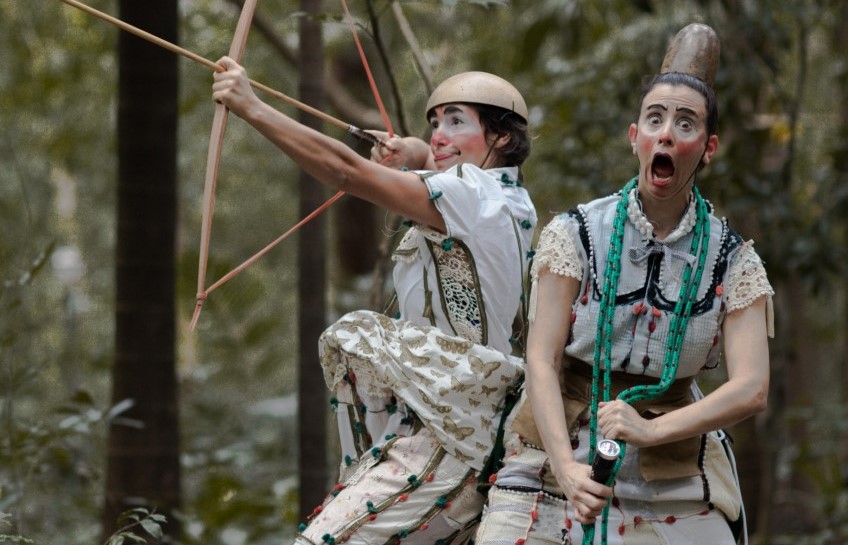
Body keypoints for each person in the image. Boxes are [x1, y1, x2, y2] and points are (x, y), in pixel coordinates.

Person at [474, 24, 773, 545]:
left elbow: (752, 388)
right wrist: (567, 472)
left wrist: (651, 429)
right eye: (654, 119)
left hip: (673, 455)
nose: (666, 133)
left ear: (707, 148)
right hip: (556, 440)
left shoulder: (734, 260)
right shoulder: (577, 234)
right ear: (635, 136)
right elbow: (540, 361)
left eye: (685, 123)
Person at [212, 64, 537, 544]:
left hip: (445, 446)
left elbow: (346, 171)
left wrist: (251, 107)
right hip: (460, 433)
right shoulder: (509, 198)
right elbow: (451, 171)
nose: (439, 135)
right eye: (435, 124)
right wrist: (419, 152)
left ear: (502, 138)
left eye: (456, 121)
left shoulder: (470, 195)